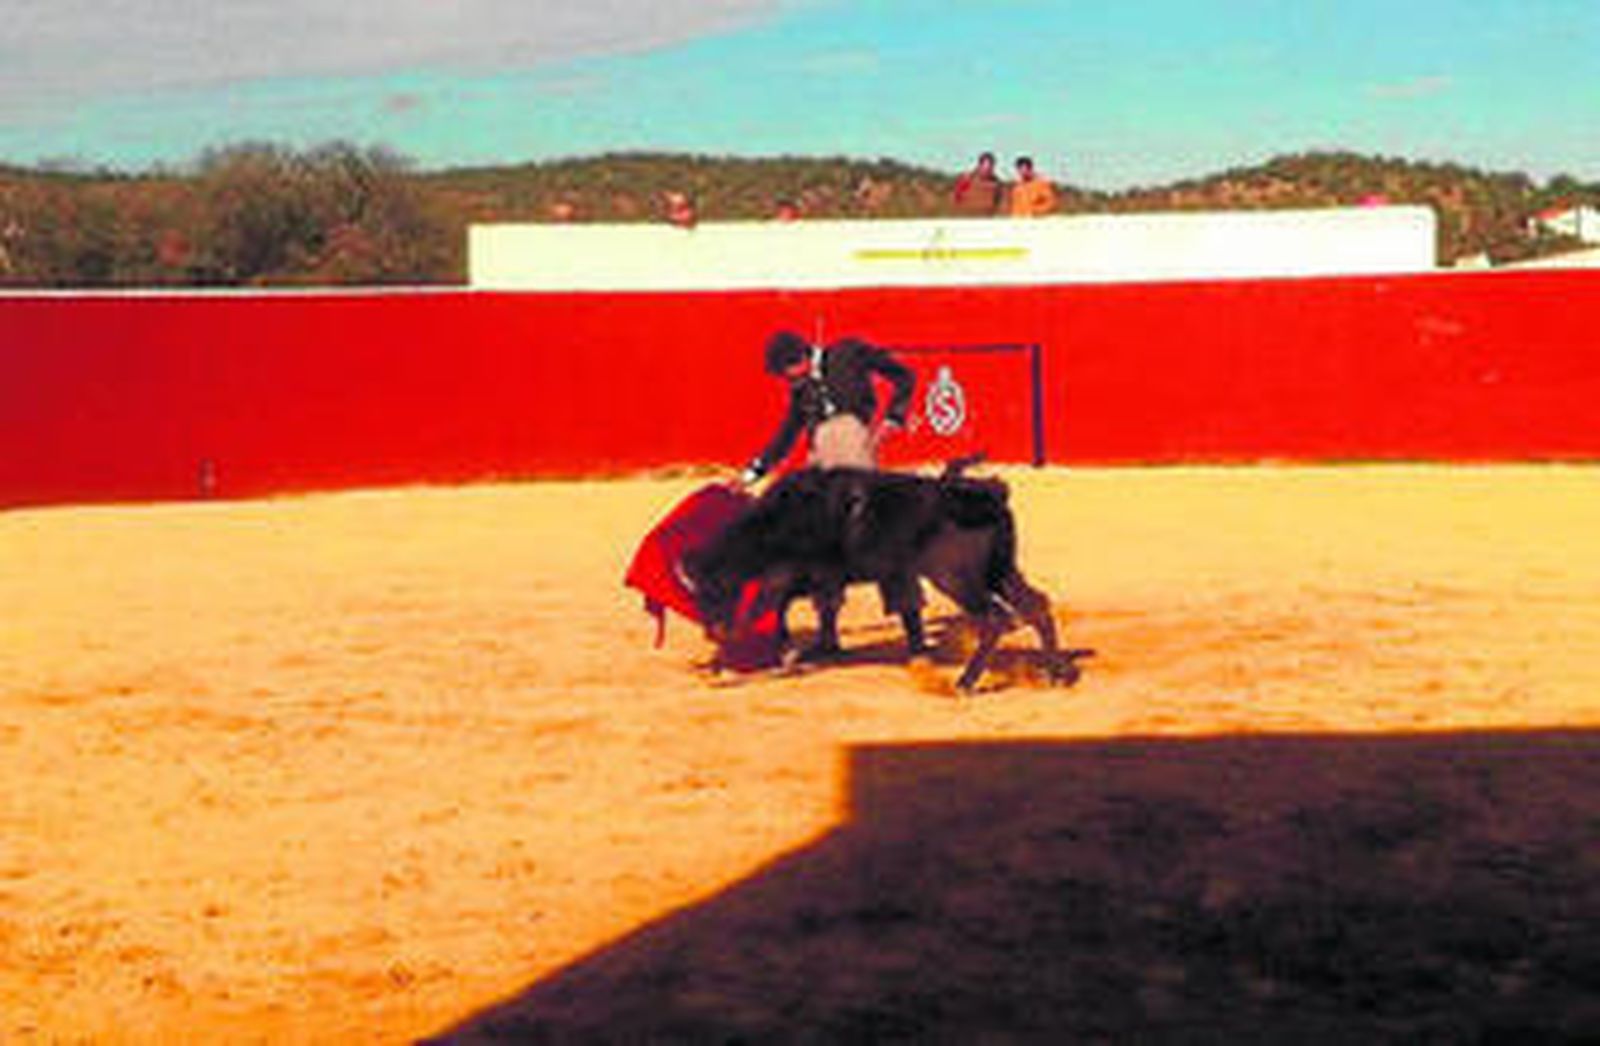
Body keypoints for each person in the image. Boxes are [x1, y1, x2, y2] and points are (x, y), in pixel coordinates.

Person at [740, 330, 916, 486]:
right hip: (820, 455)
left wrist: (893, 418)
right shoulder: (801, 389)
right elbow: (787, 434)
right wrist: (756, 470)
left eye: (787, 373)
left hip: (853, 445)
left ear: (802, 358)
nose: (789, 381)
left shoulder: (848, 353)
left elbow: (904, 376)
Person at [951, 151, 1003, 216]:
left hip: (986, 220)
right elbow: (956, 197)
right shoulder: (967, 179)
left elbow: (998, 202)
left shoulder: (997, 183)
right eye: (986, 167)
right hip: (967, 218)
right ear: (980, 165)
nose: (988, 170)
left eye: (990, 167)